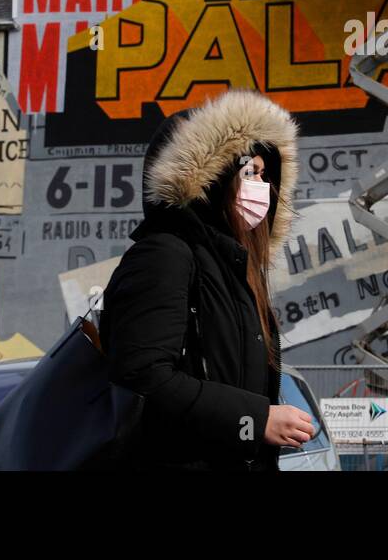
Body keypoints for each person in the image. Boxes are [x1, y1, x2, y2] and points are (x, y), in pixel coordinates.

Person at [98, 89, 316, 470]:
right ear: (210, 179)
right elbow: (142, 375)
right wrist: (255, 418)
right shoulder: (165, 255)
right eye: (249, 173)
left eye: (265, 176)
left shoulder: (233, 270)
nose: (260, 188)